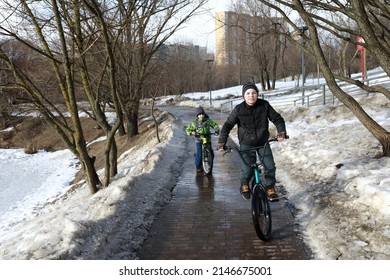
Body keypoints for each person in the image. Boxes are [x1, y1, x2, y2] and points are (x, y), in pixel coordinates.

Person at [217, 82, 286, 201]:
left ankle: (269, 187)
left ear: (257, 94)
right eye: (248, 93)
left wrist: (281, 132)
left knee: (270, 166)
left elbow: (277, 118)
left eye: (254, 93)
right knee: (247, 169)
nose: (251, 96)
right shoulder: (239, 109)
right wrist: (222, 142)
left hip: (263, 142)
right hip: (246, 143)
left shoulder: (264, 105)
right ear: (244, 96)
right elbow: (228, 125)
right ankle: (244, 184)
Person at [186, 107, 220, 172]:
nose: (201, 116)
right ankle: (198, 166)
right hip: (199, 139)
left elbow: (214, 125)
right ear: (197, 116)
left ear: (204, 114)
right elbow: (188, 129)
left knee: (211, 153)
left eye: (202, 114)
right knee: (199, 154)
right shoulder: (194, 123)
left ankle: (210, 162)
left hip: (207, 138)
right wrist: (191, 132)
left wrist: (216, 130)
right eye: (199, 115)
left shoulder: (207, 121)